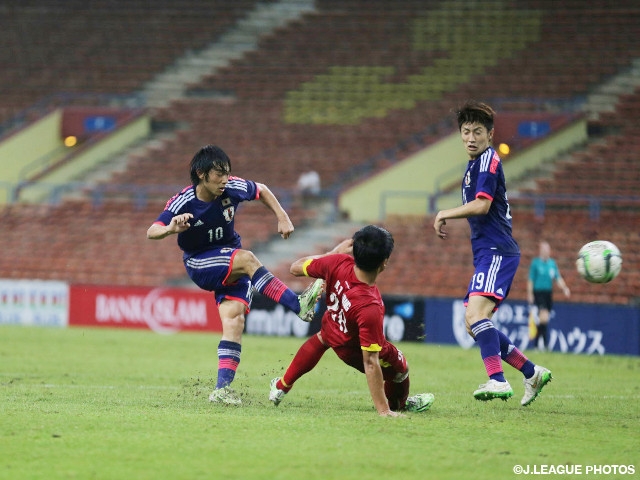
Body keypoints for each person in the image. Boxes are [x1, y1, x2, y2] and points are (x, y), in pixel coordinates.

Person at [147, 144, 323, 406]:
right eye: (218, 174)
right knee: (248, 259)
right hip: (200, 262)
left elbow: (261, 189)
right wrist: (171, 228)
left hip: (229, 258)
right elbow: (152, 230)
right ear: (201, 174)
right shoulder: (183, 200)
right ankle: (296, 304)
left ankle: (221, 390)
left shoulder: (232, 188)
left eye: (227, 173)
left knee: (234, 320)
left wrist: (282, 216)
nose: (225, 179)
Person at [433, 101, 552, 406]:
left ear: (490, 134)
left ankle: (498, 381)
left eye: (477, 132)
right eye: (465, 132)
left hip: (497, 250)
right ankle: (531, 371)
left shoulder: (488, 161)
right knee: (473, 324)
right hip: (489, 252)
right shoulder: (475, 164)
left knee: (476, 316)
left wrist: (445, 211)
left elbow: (483, 205)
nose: (471, 138)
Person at [269, 225, 435, 417]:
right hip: (353, 348)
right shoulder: (370, 306)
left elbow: (295, 267)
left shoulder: (337, 262)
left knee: (322, 339)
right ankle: (397, 405)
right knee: (401, 370)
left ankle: (281, 386)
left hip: (333, 327)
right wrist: (383, 411)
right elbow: (370, 361)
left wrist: (333, 252)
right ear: (384, 263)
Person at [527, 241, 571, 351]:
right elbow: (531, 280)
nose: (547, 252)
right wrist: (530, 294)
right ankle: (544, 345)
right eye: (544, 250)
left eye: (548, 250)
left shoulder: (552, 263)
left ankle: (538, 345)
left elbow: (558, 278)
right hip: (539, 293)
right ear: (541, 251)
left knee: (544, 320)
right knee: (544, 317)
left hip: (548, 294)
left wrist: (565, 288)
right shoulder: (535, 263)